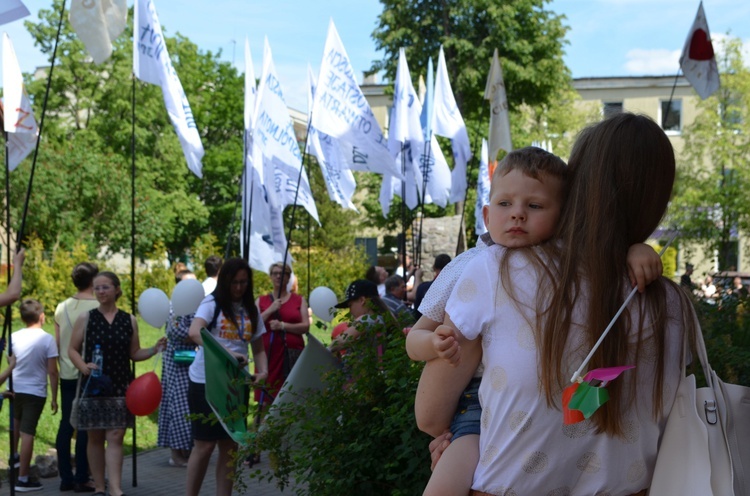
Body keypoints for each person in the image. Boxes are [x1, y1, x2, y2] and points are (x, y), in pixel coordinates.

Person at [418, 113, 689, 495]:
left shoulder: (497, 271)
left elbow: (430, 415)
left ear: (577, 186)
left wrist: (460, 443)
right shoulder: (674, 306)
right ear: (659, 198)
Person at [68, 271, 167, 496]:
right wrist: (83, 366)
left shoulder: (128, 319)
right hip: (94, 385)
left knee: (116, 436)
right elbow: (72, 349)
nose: (101, 292)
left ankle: (115, 488)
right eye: (97, 288)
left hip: (121, 385)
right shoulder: (87, 317)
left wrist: (154, 349)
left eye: (105, 287)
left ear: (116, 289)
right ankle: (100, 487)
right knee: (95, 436)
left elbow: (134, 353)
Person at [186, 258, 268, 496]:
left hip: (236, 385)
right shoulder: (211, 303)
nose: (239, 288)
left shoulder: (251, 309)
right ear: (225, 281)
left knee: (230, 446)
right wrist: (227, 354)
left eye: (243, 282)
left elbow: (259, 348)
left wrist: (263, 372)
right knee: (204, 446)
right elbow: (194, 332)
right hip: (205, 382)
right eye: (234, 282)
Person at [55, 262, 99, 493]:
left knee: (66, 423)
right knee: (85, 426)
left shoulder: (61, 307)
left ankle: (65, 478)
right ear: (93, 281)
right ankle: (83, 476)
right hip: (89, 371)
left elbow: (57, 343)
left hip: (66, 372)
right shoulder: (98, 305)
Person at [11, 299, 58, 492]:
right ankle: (22, 479)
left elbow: (11, 360)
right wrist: (55, 398)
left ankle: (14, 458)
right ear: (42, 316)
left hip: (14, 388)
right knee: (28, 433)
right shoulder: (47, 339)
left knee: (15, 425)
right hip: (35, 391)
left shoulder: (13, 336)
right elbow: (53, 372)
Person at [158, 269, 198, 467]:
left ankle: (188, 450)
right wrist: (199, 335)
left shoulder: (198, 304)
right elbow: (176, 331)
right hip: (178, 363)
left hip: (194, 362)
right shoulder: (175, 306)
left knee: (191, 406)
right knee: (178, 406)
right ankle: (176, 453)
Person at [254, 262, 309, 407]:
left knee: (291, 397)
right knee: (266, 400)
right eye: (275, 273)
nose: (279, 276)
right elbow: (252, 325)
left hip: (292, 354)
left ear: (288, 277)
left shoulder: (299, 300)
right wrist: (270, 310)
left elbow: (305, 326)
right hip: (268, 356)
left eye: (283, 273)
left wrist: (283, 326)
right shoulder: (261, 301)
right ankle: (262, 428)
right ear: (271, 277)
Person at [329, 280, 393, 352]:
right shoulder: (380, 319)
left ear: (362, 300)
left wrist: (326, 350)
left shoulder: (367, 319)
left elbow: (341, 341)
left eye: (350, 305)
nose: (350, 311)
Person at [412, 254, 451, 320]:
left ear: (433, 267)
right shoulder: (454, 288)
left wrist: (417, 277)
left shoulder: (423, 288)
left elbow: (417, 314)